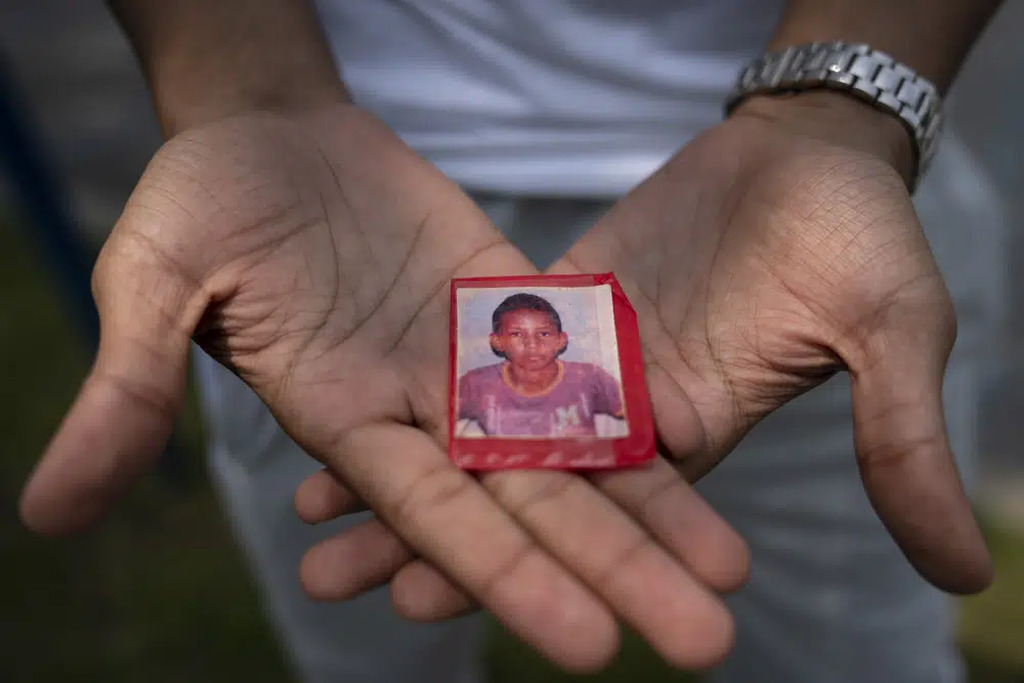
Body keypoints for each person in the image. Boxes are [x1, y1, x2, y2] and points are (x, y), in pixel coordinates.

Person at [18, 1, 1008, 682]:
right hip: (326, 243)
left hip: (785, 201)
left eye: (546, 337)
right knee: (362, 649)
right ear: (501, 348)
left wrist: (838, 110)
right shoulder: (464, 359)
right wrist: (241, 94)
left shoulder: (585, 376)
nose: (535, 350)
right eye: (519, 338)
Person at [458, 292, 625, 438]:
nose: (532, 344)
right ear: (497, 341)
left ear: (561, 340)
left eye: (543, 334)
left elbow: (639, 416)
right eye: (517, 334)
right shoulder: (477, 386)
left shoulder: (589, 378)